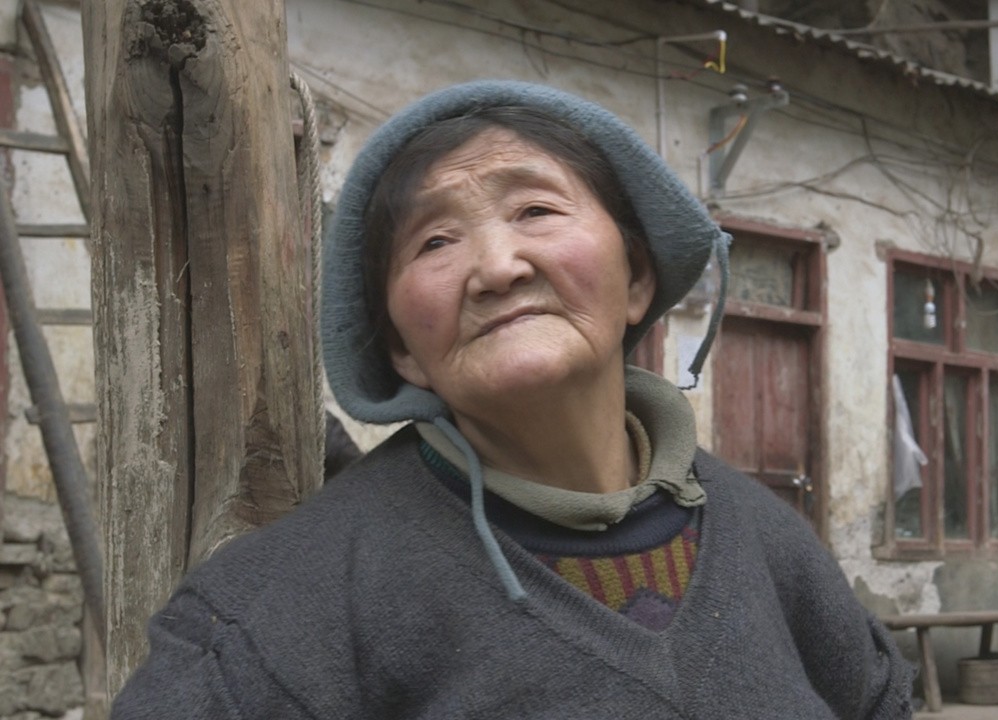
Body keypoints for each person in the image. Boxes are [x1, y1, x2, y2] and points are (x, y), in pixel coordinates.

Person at [111, 80, 914, 718]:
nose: (497, 266)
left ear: (636, 279)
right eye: (435, 241)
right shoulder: (277, 614)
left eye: (535, 209)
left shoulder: (772, 543)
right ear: (401, 350)